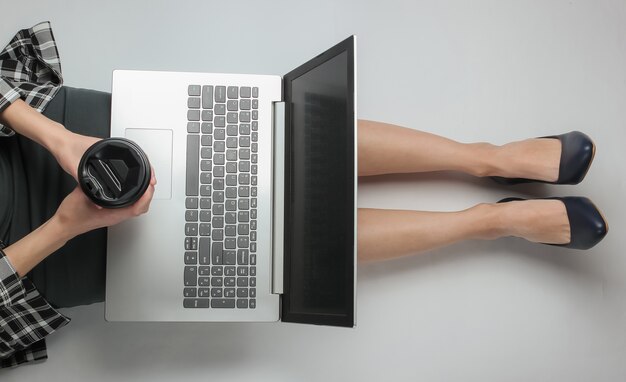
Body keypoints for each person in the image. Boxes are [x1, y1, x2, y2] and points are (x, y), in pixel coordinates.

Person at [0, 22, 608, 369]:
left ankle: (488, 158)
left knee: (266, 139)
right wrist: (66, 224)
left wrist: (57, 139)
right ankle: (485, 224)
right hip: (41, 255)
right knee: (264, 255)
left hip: (36, 136)